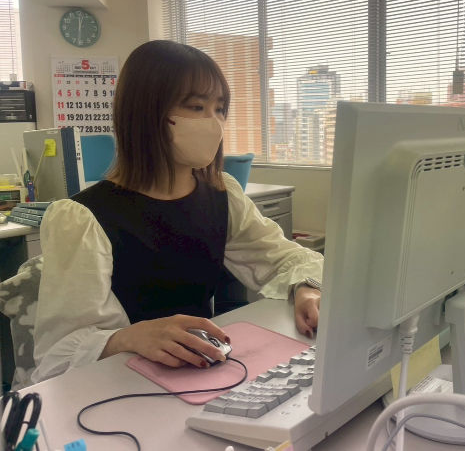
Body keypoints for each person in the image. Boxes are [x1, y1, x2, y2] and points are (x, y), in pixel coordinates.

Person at [32, 40, 323, 384]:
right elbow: (56, 354)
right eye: (197, 107)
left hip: (201, 374)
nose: (214, 123)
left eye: (220, 109)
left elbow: (283, 258)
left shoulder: (221, 193)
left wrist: (306, 287)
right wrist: (127, 337)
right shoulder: (82, 217)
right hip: (122, 385)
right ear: (146, 112)